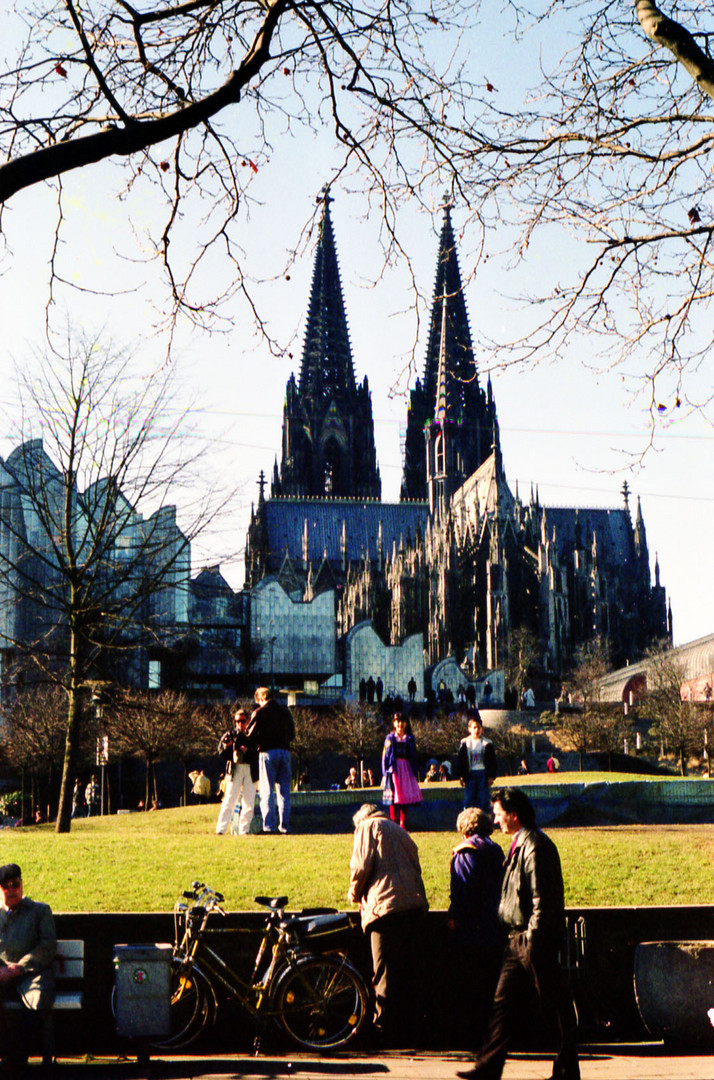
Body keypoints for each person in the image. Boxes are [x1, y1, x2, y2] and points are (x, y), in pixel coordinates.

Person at [456, 787, 580, 1080]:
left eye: (499, 815)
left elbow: (542, 899)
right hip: (517, 939)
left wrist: (534, 939)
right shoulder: (521, 843)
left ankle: (566, 1071)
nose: (495, 820)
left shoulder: (535, 846)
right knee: (503, 1006)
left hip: (531, 939)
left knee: (553, 1007)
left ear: (514, 815)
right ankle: (488, 1067)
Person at [347, 804, 428, 1046]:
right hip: (412, 905)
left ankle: (383, 1030)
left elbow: (361, 866)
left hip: (385, 908)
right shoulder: (399, 829)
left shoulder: (366, 826)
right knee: (406, 969)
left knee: (382, 972)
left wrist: (354, 894)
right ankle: (410, 1029)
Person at [447, 808, 505, 1048]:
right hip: (498, 927)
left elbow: (464, 891)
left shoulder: (465, 853)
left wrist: (454, 917)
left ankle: (474, 1038)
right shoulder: (496, 850)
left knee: (473, 987)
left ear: (463, 829)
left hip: (473, 930)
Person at [0, 863, 57, 1077]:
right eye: (6, 887)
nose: (12, 890)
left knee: (34, 1003)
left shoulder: (39, 911)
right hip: (1, 976)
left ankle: (18, 1064)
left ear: (22, 885)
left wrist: (20, 967)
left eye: (16, 884)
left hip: (31, 976)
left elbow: (47, 946)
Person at [250, 686, 295, 834]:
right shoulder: (285, 711)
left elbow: (250, 735)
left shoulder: (259, 713)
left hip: (267, 752)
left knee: (266, 791)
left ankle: (268, 826)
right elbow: (292, 734)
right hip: (284, 751)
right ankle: (285, 826)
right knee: (284, 792)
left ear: (261, 699)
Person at [215, 708, 259, 836]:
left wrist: (247, 751)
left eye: (243, 721)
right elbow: (221, 753)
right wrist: (228, 746)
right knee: (229, 799)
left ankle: (244, 830)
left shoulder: (253, 735)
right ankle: (221, 829)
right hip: (235, 770)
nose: (240, 724)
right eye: (237, 721)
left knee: (249, 801)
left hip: (250, 769)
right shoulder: (230, 734)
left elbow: (258, 753)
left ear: (247, 721)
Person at [381, 713, 422, 829]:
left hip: (406, 768)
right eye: (397, 722)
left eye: (402, 721)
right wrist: (385, 773)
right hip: (393, 769)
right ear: (394, 724)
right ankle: (393, 822)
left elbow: (413, 755)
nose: (400, 724)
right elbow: (385, 756)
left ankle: (403, 823)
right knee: (393, 797)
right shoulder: (390, 738)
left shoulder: (409, 738)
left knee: (405, 796)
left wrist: (415, 771)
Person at [456, 713, 497, 812]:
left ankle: (485, 818)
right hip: (470, 774)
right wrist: (461, 776)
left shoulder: (487, 744)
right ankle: (468, 819)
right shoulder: (465, 744)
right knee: (469, 799)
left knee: (484, 799)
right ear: (469, 729)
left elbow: (492, 762)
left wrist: (491, 776)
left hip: (483, 773)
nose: (477, 730)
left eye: (479, 727)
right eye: (474, 727)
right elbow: (460, 761)